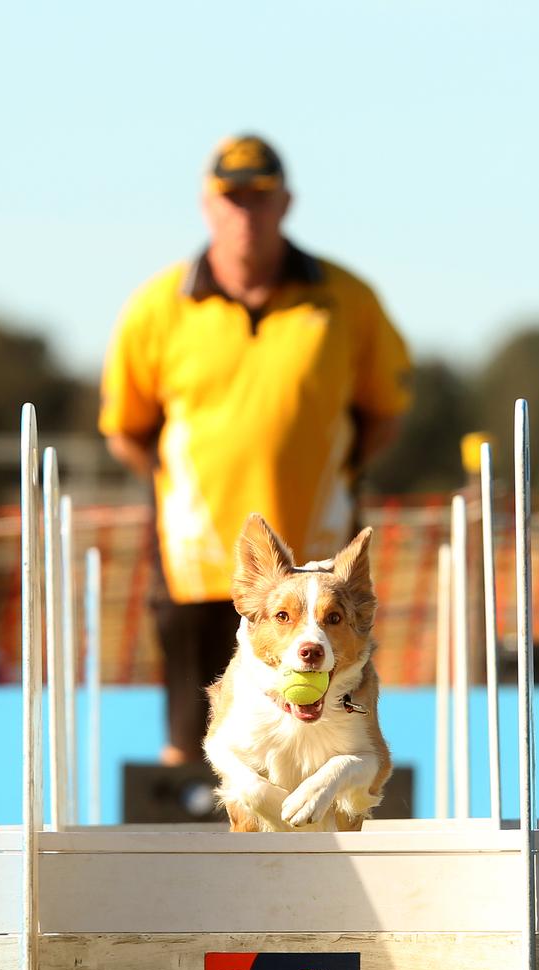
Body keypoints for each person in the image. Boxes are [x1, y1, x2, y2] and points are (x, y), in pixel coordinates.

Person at [99, 134, 412, 765]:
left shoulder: (347, 299)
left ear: (286, 202)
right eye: (232, 198)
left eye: (260, 197)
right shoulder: (157, 308)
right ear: (207, 206)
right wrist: (178, 495)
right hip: (196, 561)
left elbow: (384, 412)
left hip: (318, 561)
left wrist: (337, 474)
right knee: (195, 739)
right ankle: (194, 853)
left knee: (326, 726)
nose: (246, 211)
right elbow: (126, 430)